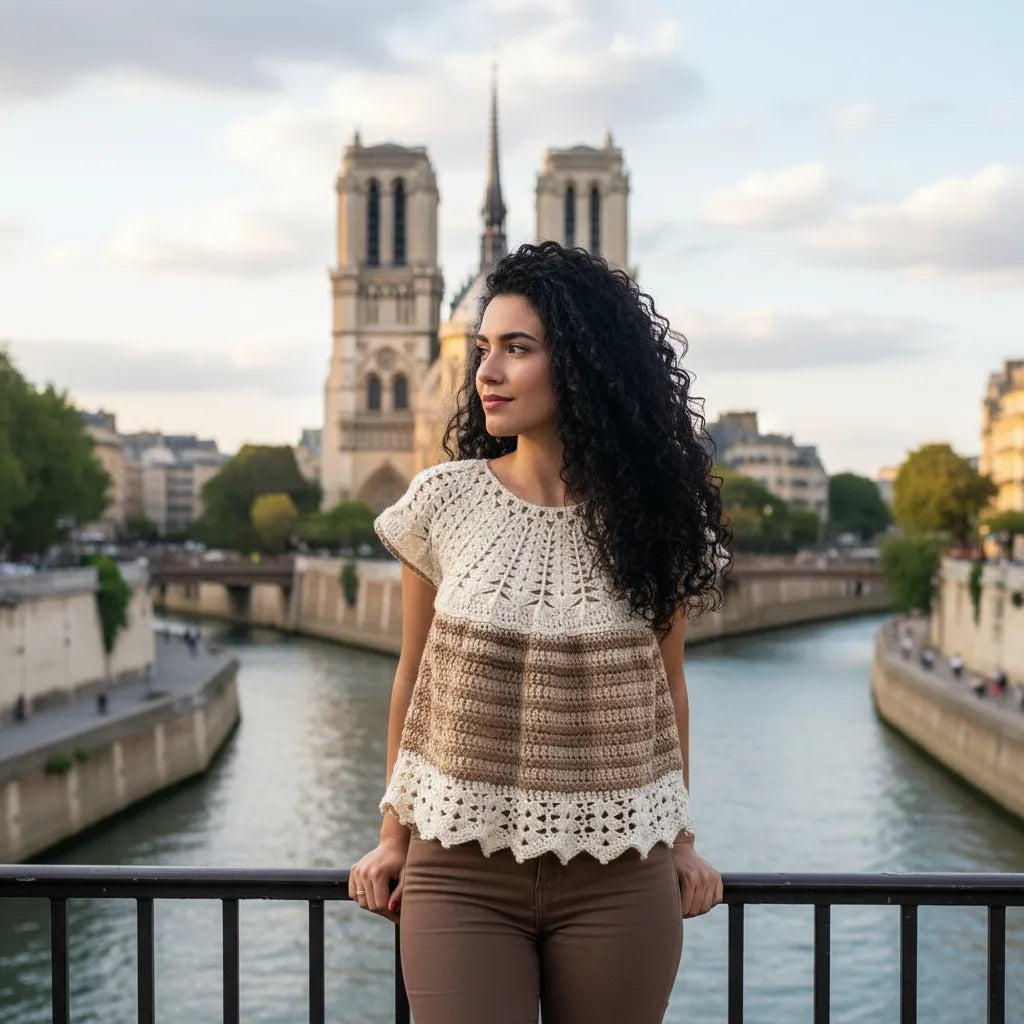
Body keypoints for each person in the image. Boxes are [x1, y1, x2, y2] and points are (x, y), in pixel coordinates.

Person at [347, 242, 731, 1024]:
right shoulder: (441, 502)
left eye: (516, 349)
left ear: (586, 362)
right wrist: (393, 837)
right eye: (483, 349)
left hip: (623, 870)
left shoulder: (655, 520)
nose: (486, 371)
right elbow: (412, 676)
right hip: (458, 870)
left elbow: (670, 691)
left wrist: (681, 839)